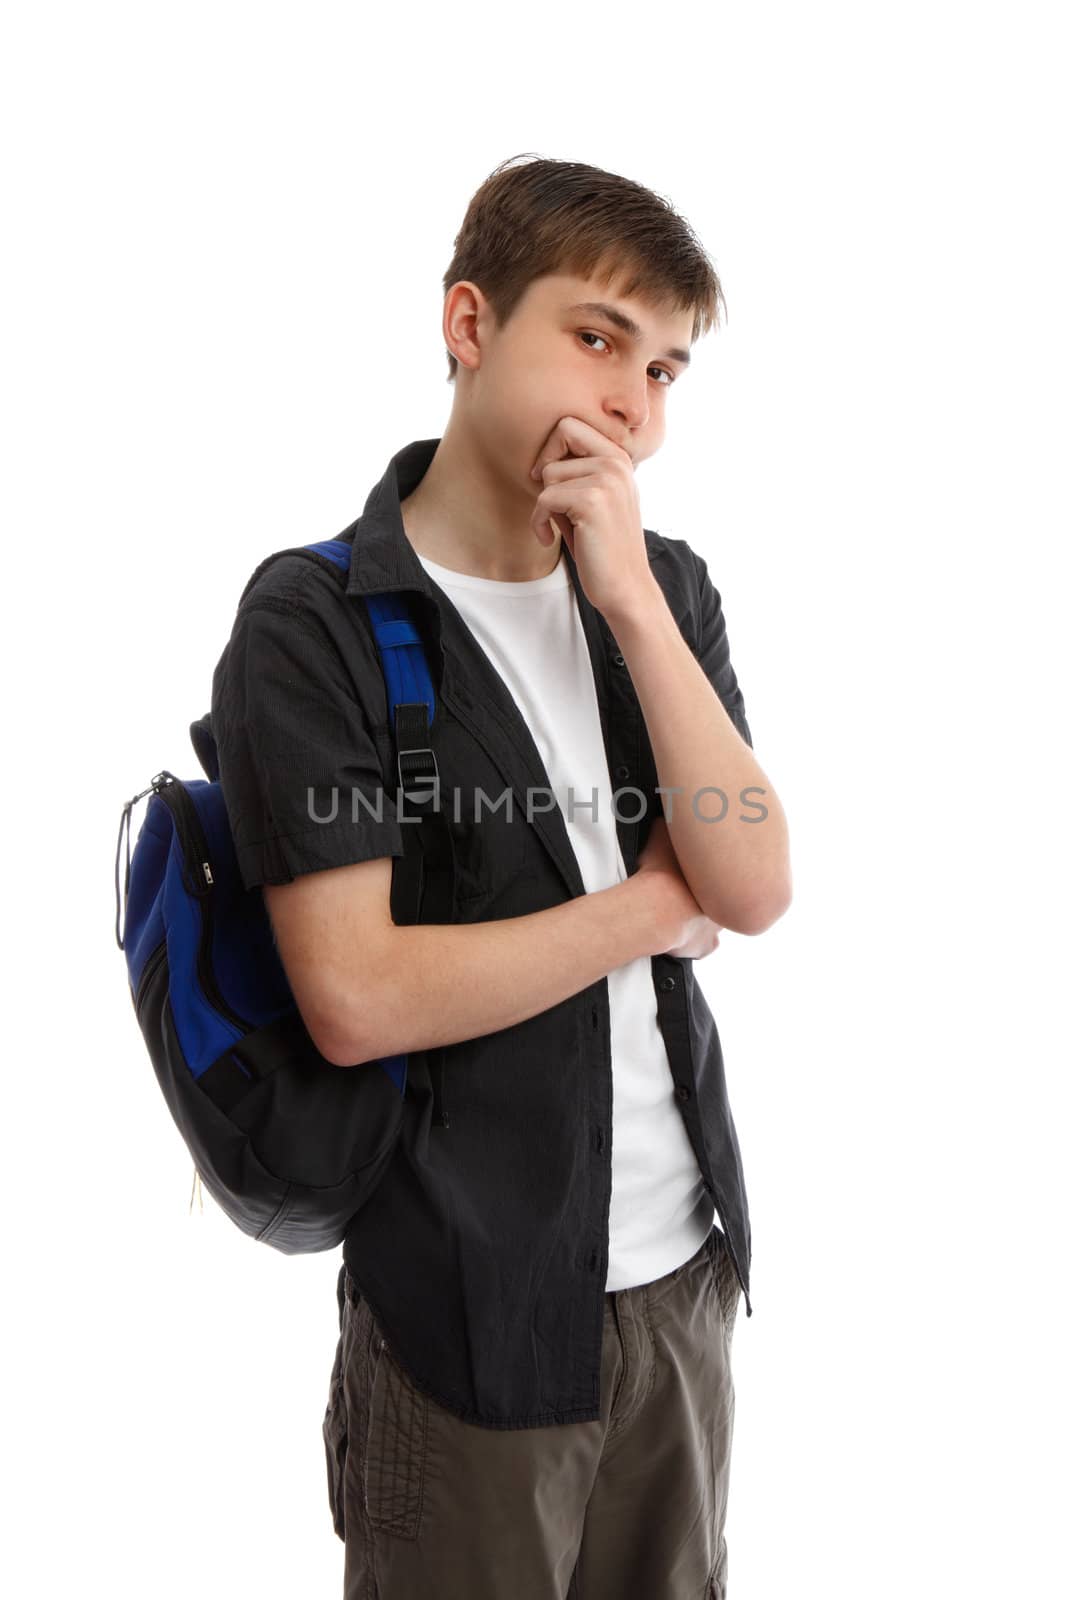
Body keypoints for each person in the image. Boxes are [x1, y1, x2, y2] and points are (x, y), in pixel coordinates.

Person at [210, 153, 792, 1600]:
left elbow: (760, 878)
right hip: (465, 1310)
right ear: (468, 325)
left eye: (663, 370)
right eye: (595, 339)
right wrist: (657, 909)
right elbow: (357, 994)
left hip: (682, 1285)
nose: (631, 406)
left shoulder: (663, 590)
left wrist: (635, 606)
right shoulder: (318, 622)